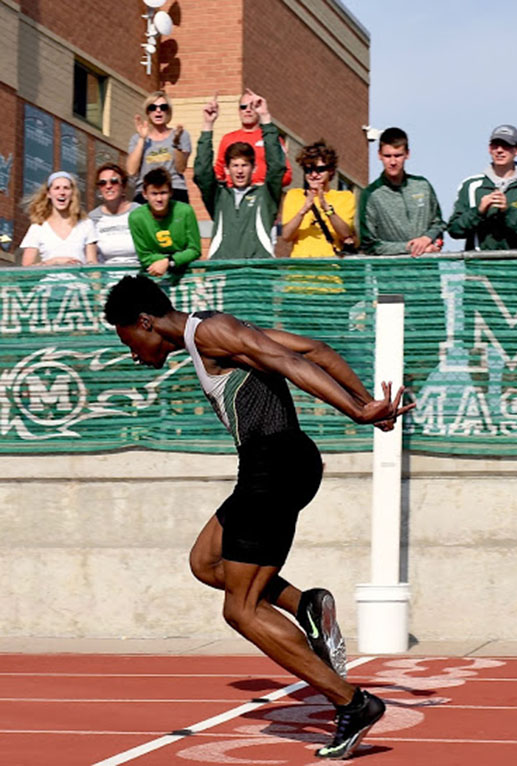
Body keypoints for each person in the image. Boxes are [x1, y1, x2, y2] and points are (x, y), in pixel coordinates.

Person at [103, 274, 413, 759]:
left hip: (274, 466)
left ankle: (352, 703)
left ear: (145, 322)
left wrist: (357, 411)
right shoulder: (216, 331)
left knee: (240, 609)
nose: (134, 353)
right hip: (275, 464)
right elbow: (316, 349)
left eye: (130, 341)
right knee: (206, 562)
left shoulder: (208, 333)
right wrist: (363, 401)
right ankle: (306, 605)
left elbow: (288, 363)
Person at [194, 91, 285, 260]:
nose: (240, 171)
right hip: (224, 273)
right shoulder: (219, 196)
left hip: (257, 276)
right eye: (235, 166)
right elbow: (202, 173)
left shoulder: (266, 196)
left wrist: (265, 117)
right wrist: (207, 126)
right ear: (227, 170)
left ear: (254, 168)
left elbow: (277, 167)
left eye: (245, 165)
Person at [447, 124, 517, 250]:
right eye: (495, 145)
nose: (499, 150)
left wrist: (508, 211)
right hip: (481, 268)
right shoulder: (471, 186)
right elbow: (454, 230)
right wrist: (479, 211)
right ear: (489, 149)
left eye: (506, 145)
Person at [358, 127, 445, 255]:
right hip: (391, 272)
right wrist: (410, 248)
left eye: (398, 155)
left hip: (427, 271)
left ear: (407, 154)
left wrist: (429, 240)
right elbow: (369, 244)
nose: (393, 162)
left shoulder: (422, 185)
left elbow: (438, 224)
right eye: (387, 156)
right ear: (379, 155)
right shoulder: (370, 195)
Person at [281, 141, 356, 257]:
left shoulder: (345, 197)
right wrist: (303, 210)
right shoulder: (294, 195)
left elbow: (346, 234)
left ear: (330, 170)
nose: (314, 175)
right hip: (299, 269)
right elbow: (286, 236)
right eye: (309, 170)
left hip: (330, 269)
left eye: (320, 170)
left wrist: (326, 208)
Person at [128, 168, 201, 276]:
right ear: (144, 194)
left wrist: (169, 262)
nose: (159, 199)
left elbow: (195, 249)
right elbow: (144, 256)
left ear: (171, 192)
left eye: (163, 193)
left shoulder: (185, 211)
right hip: (153, 272)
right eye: (154, 194)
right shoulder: (136, 218)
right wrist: (165, 262)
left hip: (184, 273)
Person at [213, 88, 292, 188]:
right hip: (234, 195)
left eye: (253, 106)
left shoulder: (271, 139)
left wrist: (266, 187)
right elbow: (219, 172)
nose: (248, 110)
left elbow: (287, 174)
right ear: (239, 110)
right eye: (243, 107)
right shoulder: (228, 139)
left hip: (263, 196)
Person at [127, 90, 192, 204]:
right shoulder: (137, 138)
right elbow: (131, 170)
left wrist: (176, 142)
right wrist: (142, 139)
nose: (158, 110)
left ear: (168, 111)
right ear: (148, 112)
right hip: (145, 192)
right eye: (153, 107)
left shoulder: (180, 134)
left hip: (174, 190)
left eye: (163, 107)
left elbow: (181, 168)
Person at [20, 171, 98, 266]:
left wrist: (95, 279)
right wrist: (54, 262)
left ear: (72, 193)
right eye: (57, 188)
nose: (62, 192)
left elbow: (93, 265)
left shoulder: (86, 224)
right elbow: (26, 268)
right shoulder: (38, 227)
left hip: (79, 280)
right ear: (49, 193)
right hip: (49, 280)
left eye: (66, 188)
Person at [89, 163, 139, 265]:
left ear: (123, 186)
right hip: (107, 277)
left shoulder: (139, 211)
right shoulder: (92, 218)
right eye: (102, 183)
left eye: (114, 181)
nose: (108, 186)